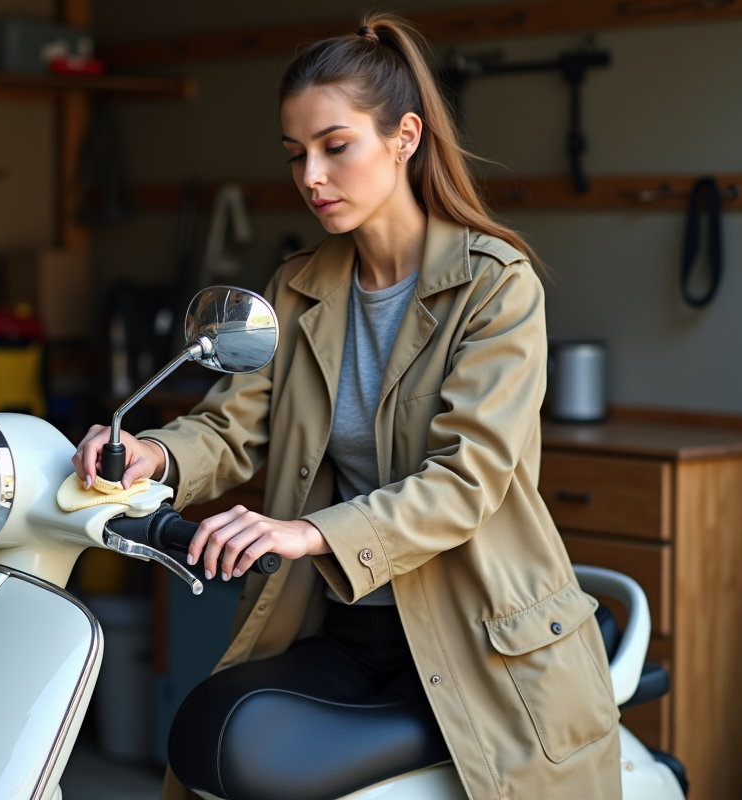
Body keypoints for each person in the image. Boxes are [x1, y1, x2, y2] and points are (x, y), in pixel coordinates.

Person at [72, 12, 619, 800]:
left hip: (479, 632)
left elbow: (467, 480)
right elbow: (233, 426)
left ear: (404, 136)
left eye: (336, 146)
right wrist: (154, 454)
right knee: (214, 741)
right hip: (344, 623)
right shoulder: (298, 286)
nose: (311, 177)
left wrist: (302, 532)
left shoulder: (497, 285)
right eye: (296, 155)